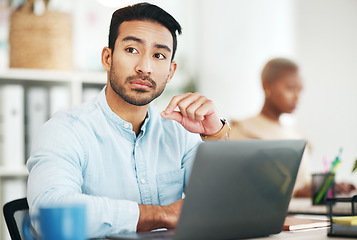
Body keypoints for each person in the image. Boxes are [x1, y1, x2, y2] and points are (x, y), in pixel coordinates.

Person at [26, 3, 229, 238]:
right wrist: (161, 215)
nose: (145, 67)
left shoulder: (179, 133)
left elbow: (227, 203)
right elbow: (51, 213)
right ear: (107, 58)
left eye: (159, 55)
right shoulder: (65, 130)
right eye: (132, 50)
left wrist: (215, 135)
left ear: (171, 71)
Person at [230, 58, 355, 197]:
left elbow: (302, 183)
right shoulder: (243, 130)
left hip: (305, 213)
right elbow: (253, 187)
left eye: (300, 90)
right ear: (266, 86)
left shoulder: (297, 134)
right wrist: (302, 192)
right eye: (290, 88)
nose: (297, 97)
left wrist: (328, 186)